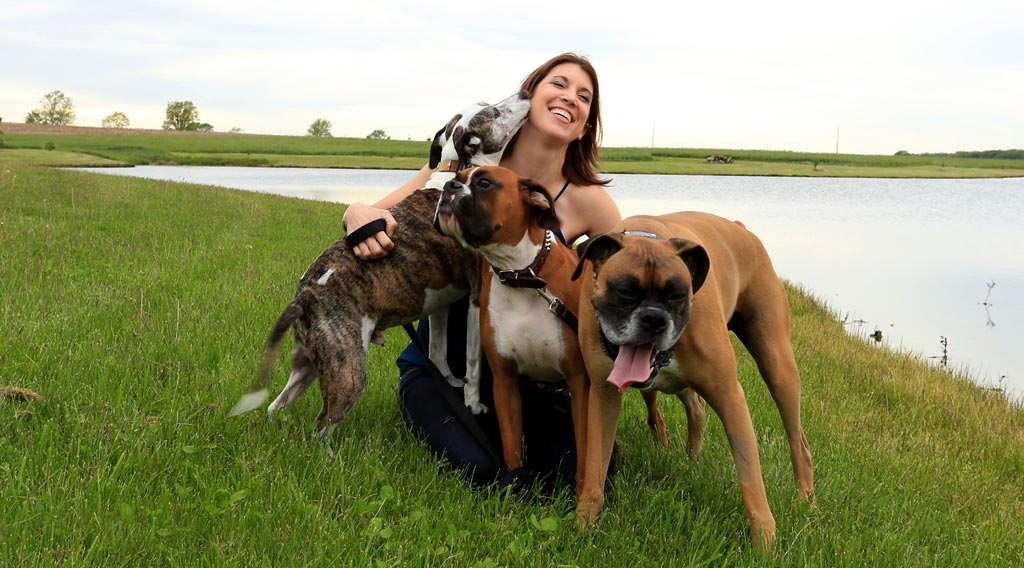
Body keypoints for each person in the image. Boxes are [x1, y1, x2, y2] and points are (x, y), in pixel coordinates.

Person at [342, 53, 621, 491]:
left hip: (535, 374)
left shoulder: (589, 202)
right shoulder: (460, 170)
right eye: (559, 84)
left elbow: (622, 277)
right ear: (528, 98)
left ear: (585, 125)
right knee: (482, 467)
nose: (570, 98)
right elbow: (373, 210)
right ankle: (419, 394)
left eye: (584, 97)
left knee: (570, 470)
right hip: (446, 366)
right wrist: (356, 213)